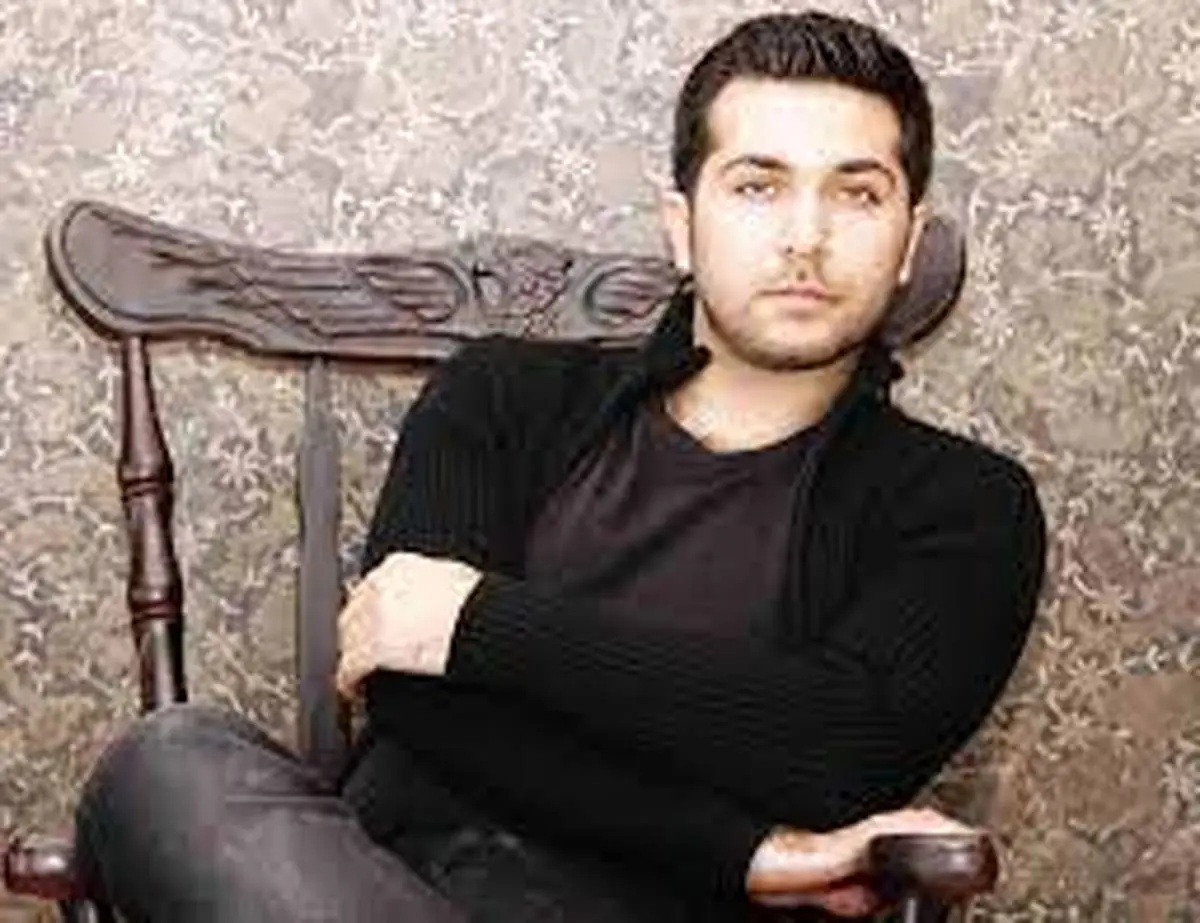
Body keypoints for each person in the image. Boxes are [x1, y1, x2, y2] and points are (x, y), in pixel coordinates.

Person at [74, 9, 1046, 922]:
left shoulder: (964, 505)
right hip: (378, 888)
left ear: (908, 239)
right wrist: (739, 846)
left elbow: (834, 745)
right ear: (682, 225)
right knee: (171, 761)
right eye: (758, 185)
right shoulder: (503, 397)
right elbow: (414, 700)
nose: (805, 236)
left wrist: (477, 622)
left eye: (857, 192)